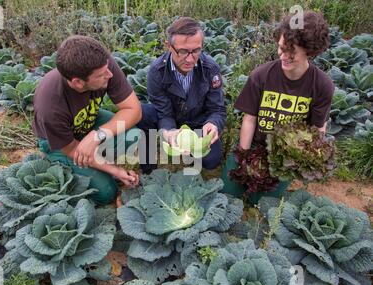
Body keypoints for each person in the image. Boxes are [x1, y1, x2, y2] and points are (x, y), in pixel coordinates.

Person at [221, 11, 335, 203]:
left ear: (310, 51)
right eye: (281, 48)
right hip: (255, 145)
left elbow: (317, 129)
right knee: (228, 194)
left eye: (292, 52)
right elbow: (249, 119)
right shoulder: (261, 75)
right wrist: (243, 156)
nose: (283, 55)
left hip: (284, 157)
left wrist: (303, 158)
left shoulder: (322, 85)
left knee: (263, 203)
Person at [32, 35, 142, 205]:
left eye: (107, 68)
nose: (110, 74)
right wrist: (114, 170)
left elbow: (133, 110)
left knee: (134, 135)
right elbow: (72, 148)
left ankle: (97, 155)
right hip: (61, 144)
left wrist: (98, 135)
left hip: (90, 121)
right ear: (78, 83)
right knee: (106, 192)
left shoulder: (101, 64)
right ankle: (54, 162)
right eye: (101, 75)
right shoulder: (50, 105)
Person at [137, 17, 226, 173]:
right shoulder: (156, 71)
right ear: (169, 47)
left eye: (196, 50)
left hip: (198, 123)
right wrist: (169, 132)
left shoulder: (210, 68)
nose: (190, 59)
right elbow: (163, 112)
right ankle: (148, 170)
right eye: (183, 51)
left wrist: (213, 123)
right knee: (144, 113)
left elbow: (217, 109)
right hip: (171, 120)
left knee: (211, 161)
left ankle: (191, 156)